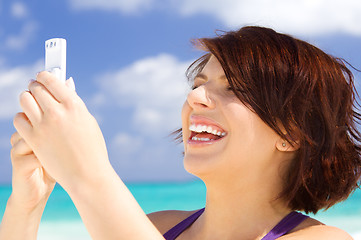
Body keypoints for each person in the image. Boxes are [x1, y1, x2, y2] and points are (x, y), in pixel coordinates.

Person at [0, 26, 360, 240]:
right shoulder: (157, 227)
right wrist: (26, 204)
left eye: (233, 89)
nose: (194, 97)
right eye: (198, 84)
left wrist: (88, 175)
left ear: (292, 133)